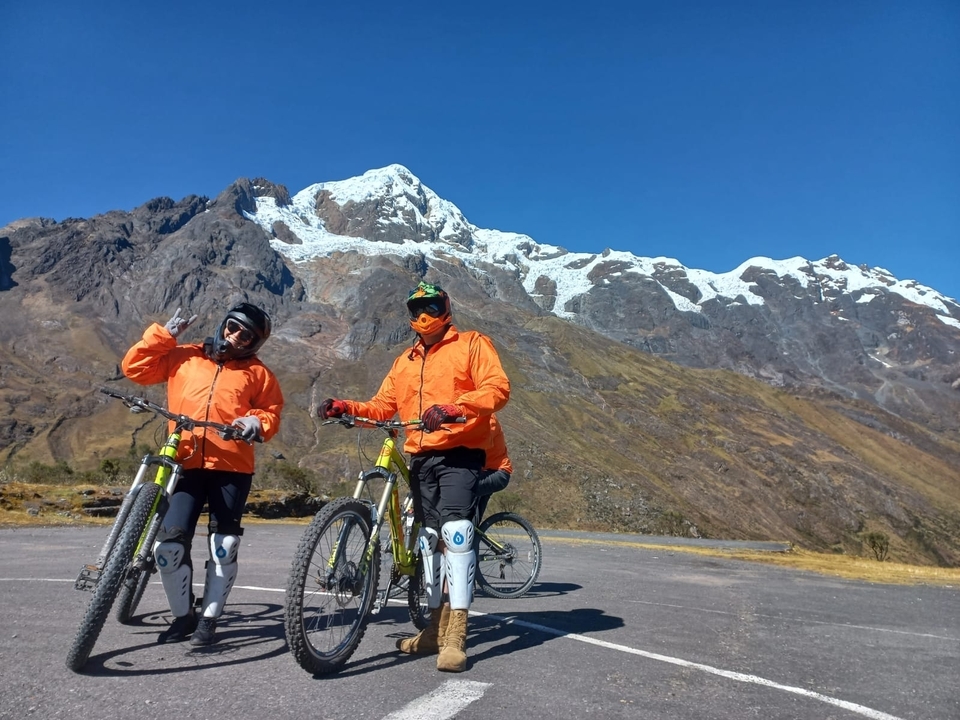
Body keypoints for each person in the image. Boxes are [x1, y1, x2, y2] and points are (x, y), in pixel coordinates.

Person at [319, 281, 509, 673]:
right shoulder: (404, 361)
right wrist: (344, 407)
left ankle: (456, 634)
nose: (424, 315)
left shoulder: (473, 344)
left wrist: (456, 407)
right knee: (428, 539)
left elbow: (497, 388)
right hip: (421, 456)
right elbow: (382, 405)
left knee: (457, 534)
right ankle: (432, 630)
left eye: (432, 306)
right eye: (417, 308)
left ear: (446, 308)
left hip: (460, 453)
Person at [121, 302, 284, 646]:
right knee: (168, 549)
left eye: (247, 335)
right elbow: (135, 368)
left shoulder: (259, 374)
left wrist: (255, 422)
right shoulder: (185, 356)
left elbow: (270, 413)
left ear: (254, 342)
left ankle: (209, 621)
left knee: (224, 545)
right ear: (224, 323)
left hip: (232, 468)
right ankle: (183, 617)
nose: (236, 336)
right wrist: (163, 337)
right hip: (184, 464)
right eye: (233, 326)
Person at [476, 414, 512, 523]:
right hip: (484, 471)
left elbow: (478, 444)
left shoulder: (489, 420)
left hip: (498, 473)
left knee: (464, 488)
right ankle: (472, 535)